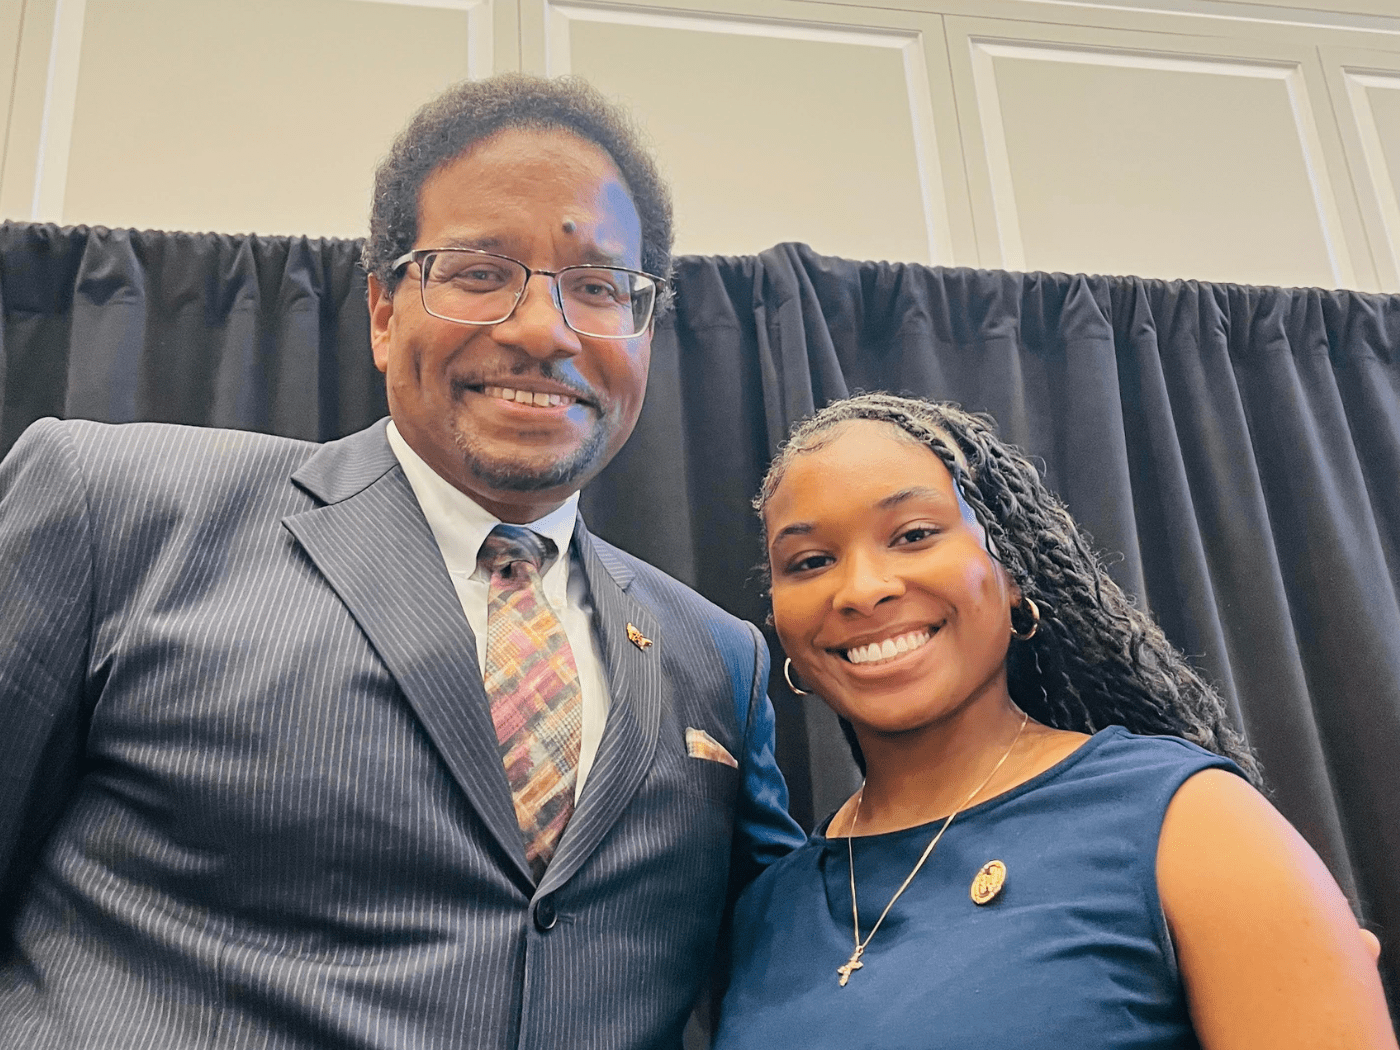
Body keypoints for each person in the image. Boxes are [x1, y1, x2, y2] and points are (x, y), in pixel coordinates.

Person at [0, 75, 803, 1050]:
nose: (543, 331)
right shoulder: (116, 509)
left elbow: (818, 961)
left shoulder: (721, 660)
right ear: (383, 312)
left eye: (597, 289)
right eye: (476, 271)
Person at [713, 393, 1396, 1049]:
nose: (863, 589)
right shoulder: (771, 906)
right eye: (811, 561)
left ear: (1011, 570)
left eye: (915, 535)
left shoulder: (1186, 820)